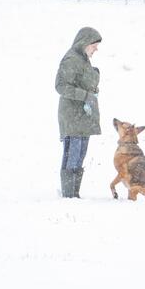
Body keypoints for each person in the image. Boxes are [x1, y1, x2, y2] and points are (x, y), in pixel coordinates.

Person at [55, 27, 102, 198]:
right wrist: (86, 95)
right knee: (73, 155)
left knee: (80, 155)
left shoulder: (83, 59)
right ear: (85, 43)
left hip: (83, 116)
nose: (96, 49)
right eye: (94, 45)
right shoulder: (71, 59)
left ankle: (74, 193)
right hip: (72, 116)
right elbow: (61, 87)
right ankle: (69, 195)